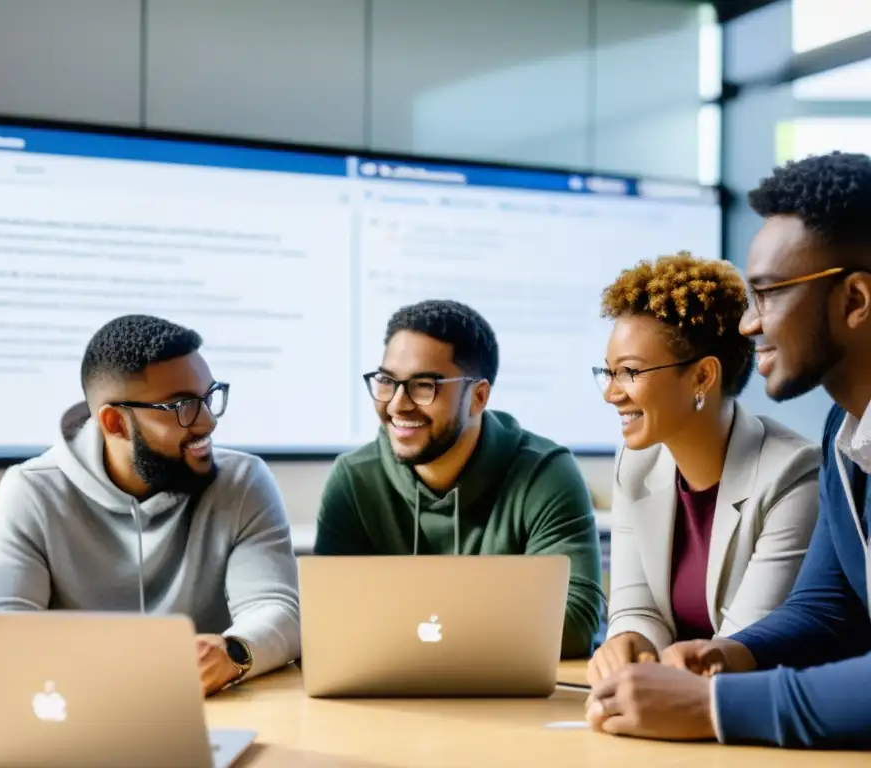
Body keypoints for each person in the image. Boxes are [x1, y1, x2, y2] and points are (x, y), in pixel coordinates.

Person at [585, 151, 871, 748]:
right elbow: (825, 609)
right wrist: (722, 656)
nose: (748, 324)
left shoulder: (800, 461)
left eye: (768, 294)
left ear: (856, 300)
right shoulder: (844, 437)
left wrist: (714, 705)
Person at [0, 315, 301, 695]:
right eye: (182, 406)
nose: (208, 421)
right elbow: (0, 632)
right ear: (114, 423)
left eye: (209, 397)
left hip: (212, 707)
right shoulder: (30, 491)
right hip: (80, 714)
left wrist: (233, 652)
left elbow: (280, 610)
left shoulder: (243, 481)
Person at [313, 299, 605, 658]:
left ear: (478, 397)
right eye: (387, 381)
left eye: (423, 385)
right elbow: (330, 620)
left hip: (511, 702)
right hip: (388, 693)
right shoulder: (354, 479)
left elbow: (575, 622)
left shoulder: (544, 473)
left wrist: (409, 628)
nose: (397, 405)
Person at [587, 253, 820, 685]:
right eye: (608, 372)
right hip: (669, 699)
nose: (612, 394)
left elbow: (746, 643)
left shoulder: (793, 475)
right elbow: (636, 607)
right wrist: (627, 640)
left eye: (630, 372)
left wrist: (658, 678)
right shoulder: (636, 464)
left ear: (702, 378)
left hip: (747, 709)